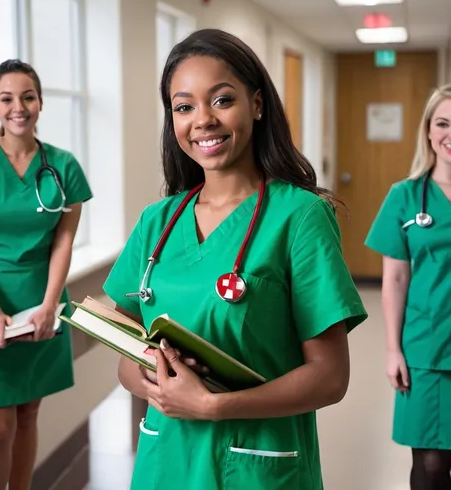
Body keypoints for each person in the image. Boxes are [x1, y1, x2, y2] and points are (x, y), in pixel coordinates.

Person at [102, 28, 367, 489]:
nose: (202, 120)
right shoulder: (158, 221)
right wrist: (151, 377)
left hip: (255, 467)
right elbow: (124, 358)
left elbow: (330, 377)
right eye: (184, 107)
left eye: (221, 100)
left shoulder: (300, 216)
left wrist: (211, 405)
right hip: (165, 461)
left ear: (257, 105)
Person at [0, 59, 92, 490]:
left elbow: (63, 242)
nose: (18, 107)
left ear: (40, 102)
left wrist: (50, 305)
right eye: (7, 98)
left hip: (41, 304)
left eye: (27, 96)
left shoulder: (64, 167)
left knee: (28, 416)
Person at [365, 84, 451, 489]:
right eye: (443, 123)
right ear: (429, 131)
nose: (450, 134)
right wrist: (392, 349)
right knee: (431, 465)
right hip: (427, 347)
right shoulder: (404, 197)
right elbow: (395, 278)